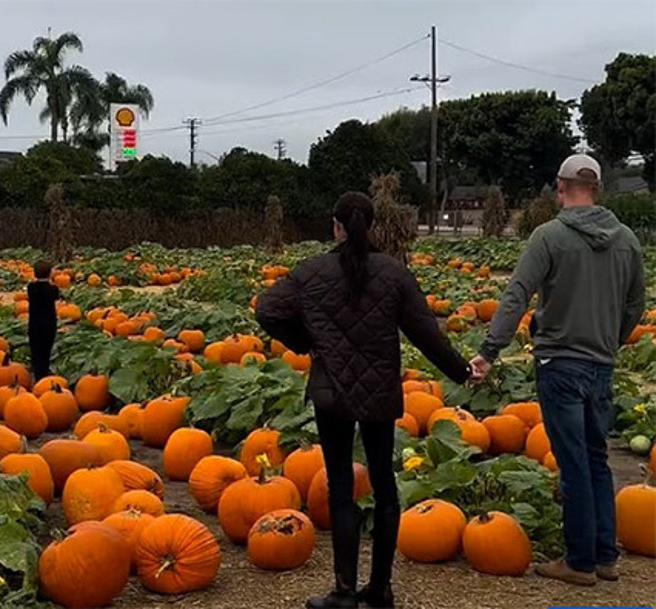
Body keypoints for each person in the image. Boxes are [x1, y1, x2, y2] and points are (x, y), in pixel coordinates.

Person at [256, 192, 472, 609]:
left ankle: (343, 591)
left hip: (331, 392)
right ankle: (380, 590)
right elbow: (426, 334)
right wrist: (463, 372)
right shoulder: (394, 273)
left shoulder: (311, 272)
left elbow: (266, 309)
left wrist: (306, 343)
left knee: (341, 488)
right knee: (385, 486)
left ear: (336, 225)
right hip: (379, 391)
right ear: (369, 226)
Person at [470, 154, 645, 586]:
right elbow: (636, 305)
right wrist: (613, 338)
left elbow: (516, 295)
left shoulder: (549, 236)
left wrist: (490, 349)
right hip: (601, 364)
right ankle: (605, 556)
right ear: (598, 188)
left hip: (560, 362)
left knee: (573, 464)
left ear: (560, 186)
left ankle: (580, 561)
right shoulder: (625, 240)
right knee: (597, 457)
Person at [27, 259, 60, 381]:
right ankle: (44, 374)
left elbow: (32, 287)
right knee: (46, 350)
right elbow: (56, 296)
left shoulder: (31, 288)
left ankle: (37, 374)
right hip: (49, 324)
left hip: (34, 324)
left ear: (34, 273)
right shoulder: (52, 289)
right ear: (50, 273)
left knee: (35, 350)